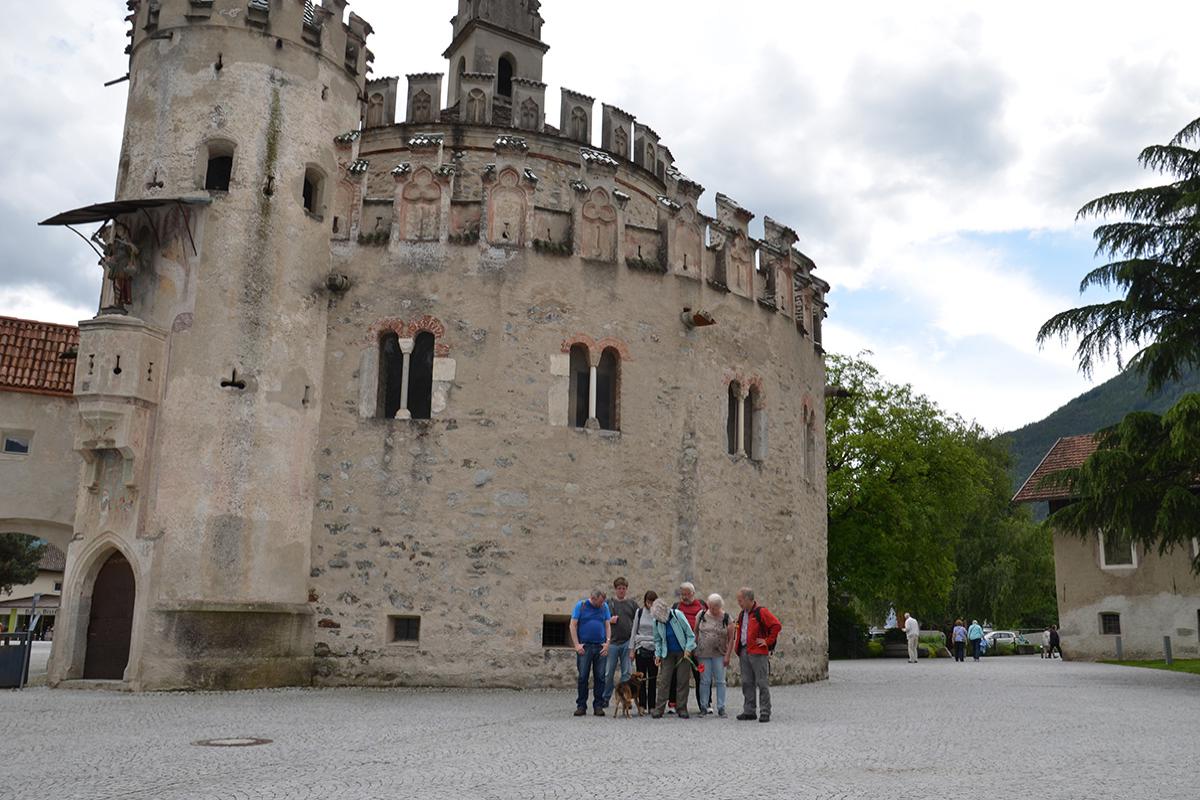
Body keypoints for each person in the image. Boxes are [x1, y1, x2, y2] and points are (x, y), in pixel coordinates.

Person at [734, 588, 781, 723]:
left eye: (741, 600)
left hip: (758, 652)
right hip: (744, 650)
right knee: (747, 682)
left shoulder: (761, 612)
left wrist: (767, 641)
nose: (739, 603)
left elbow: (776, 625)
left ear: (749, 599)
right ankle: (749, 710)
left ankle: (765, 711)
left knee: (762, 682)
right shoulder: (742, 614)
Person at [650, 598, 697, 719]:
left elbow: (690, 634)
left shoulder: (678, 615)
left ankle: (682, 708)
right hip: (667, 653)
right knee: (664, 681)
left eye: (659, 617)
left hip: (683, 652)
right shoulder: (656, 621)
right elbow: (658, 640)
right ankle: (659, 708)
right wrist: (658, 655)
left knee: (682, 681)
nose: (659, 620)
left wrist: (688, 649)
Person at [569, 589, 611, 717]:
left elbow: (607, 625)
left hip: (600, 646)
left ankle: (598, 705)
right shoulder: (580, 606)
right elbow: (573, 625)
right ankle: (581, 705)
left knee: (600, 677)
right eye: (600, 602)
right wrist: (576, 644)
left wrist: (607, 642)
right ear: (593, 598)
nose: (602, 604)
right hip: (585, 647)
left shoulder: (604, 607)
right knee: (583, 677)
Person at [695, 593, 737, 717]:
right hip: (703, 654)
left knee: (720, 681)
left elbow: (731, 639)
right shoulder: (701, 615)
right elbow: (695, 632)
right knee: (704, 681)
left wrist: (727, 656)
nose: (712, 610)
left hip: (720, 654)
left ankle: (721, 707)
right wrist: (693, 648)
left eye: (715, 608)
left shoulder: (727, 618)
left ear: (720, 606)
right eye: (711, 607)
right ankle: (704, 706)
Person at [601, 577, 639, 710]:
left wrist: (634, 644)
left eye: (623, 588)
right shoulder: (608, 604)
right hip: (612, 642)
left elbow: (637, 623)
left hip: (627, 642)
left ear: (626, 589)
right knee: (608, 673)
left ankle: (625, 698)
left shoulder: (632, 605)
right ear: (615, 589)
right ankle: (605, 698)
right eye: (619, 588)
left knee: (626, 673)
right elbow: (601, 620)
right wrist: (609, 621)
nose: (621, 591)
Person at [671, 582, 706, 709]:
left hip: (698, 646)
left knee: (701, 675)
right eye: (682, 594)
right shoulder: (676, 606)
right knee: (677, 676)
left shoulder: (701, 606)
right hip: (680, 646)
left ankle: (705, 703)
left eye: (687, 594)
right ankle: (673, 703)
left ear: (693, 594)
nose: (685, 597)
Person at [630, 590, 659, 712]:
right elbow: (634, 630)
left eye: (652, 602)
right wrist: (631, 649)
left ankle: (652, 705)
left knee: (652, 678)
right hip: (641, 648)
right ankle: (642, 705)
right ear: (645, 602)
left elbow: (660, 633)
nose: (650, 605)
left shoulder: (658, 614)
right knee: (640, 679)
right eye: (648, 602)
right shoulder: (640, 612)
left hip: (654, 649)